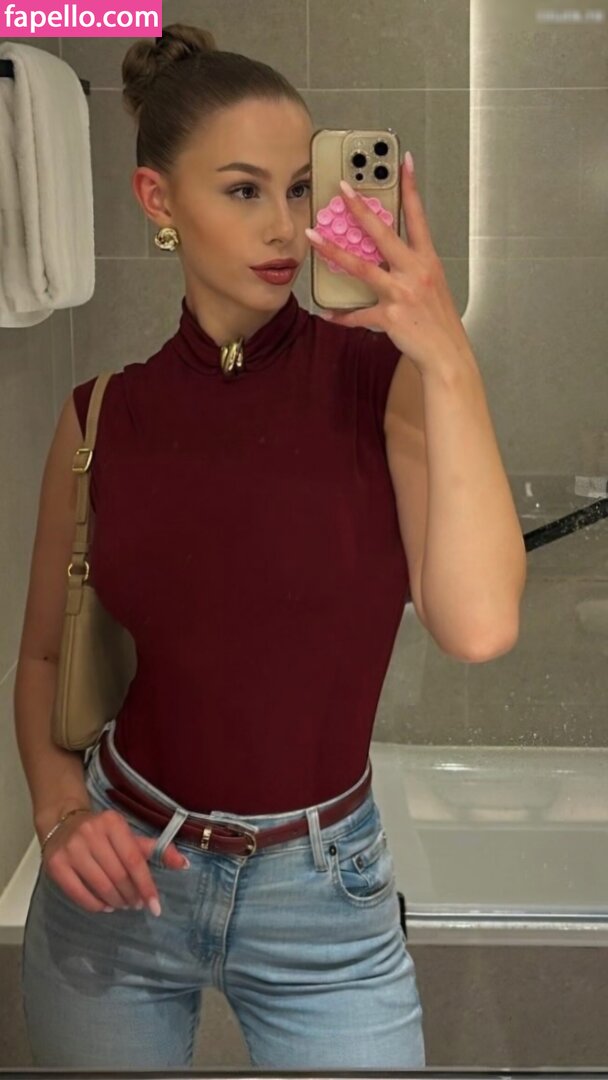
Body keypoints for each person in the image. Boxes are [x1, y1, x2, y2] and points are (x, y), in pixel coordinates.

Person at [15, 21, 526, 1072]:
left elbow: (477, 627)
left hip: (324, 896)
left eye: (300, 188)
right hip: (124, 874)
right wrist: (61, 811)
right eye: (243, 190)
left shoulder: (381, 385)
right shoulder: (102, 415)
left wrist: (444, 354)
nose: (285, 226)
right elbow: (44, 658)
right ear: (158, 200)